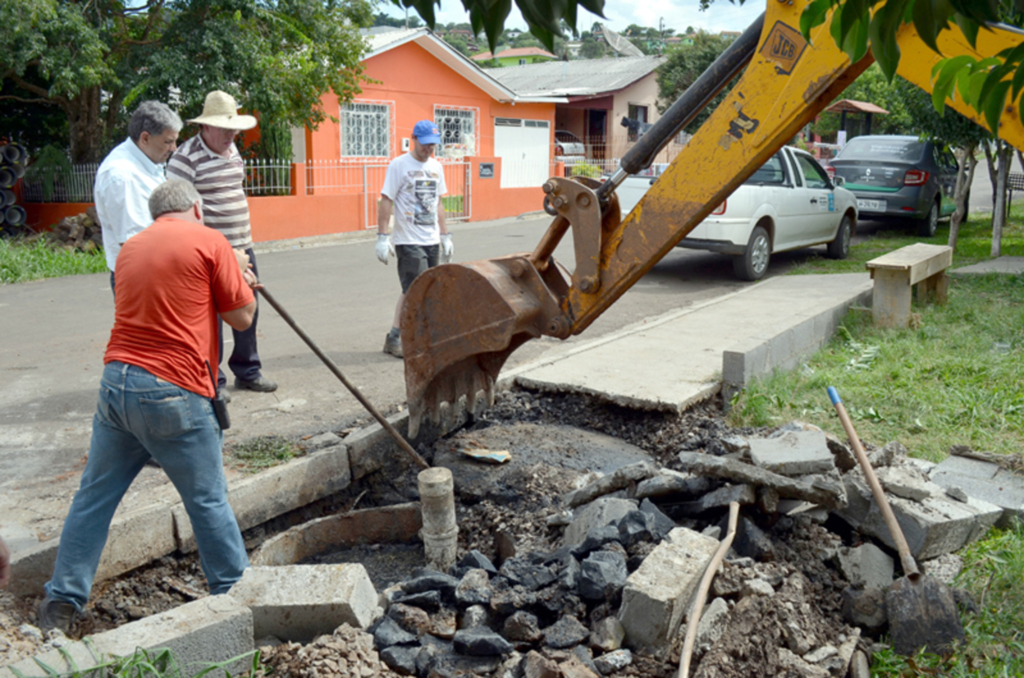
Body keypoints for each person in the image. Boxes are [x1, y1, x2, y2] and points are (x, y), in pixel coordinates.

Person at [37, 180, 258, 634]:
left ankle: (60, 602)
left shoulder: (129, 248)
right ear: (196, 208)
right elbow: (242, 317)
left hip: (116, 386)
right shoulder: (210, 240)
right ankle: (237, 597)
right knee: (208, 500)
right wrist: (240, 276)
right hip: (173, 391)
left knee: (94, 496)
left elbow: (167, 300)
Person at [167, 90, 277, 395]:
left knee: (247, 309)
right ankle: (213, 380)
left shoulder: (233, 152)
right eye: (224, 128)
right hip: (210, 253)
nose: (231, 134)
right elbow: (179, 211)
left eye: (234, 128)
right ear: (205, 126)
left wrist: (240, 249)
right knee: (210, 316)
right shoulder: (185, 158)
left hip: (243, 245)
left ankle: (248, 370)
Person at [376, 120, 454, 358]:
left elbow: (439, 202)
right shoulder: (399, 165)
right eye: (425, 144)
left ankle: (418, 337)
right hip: (408, 241)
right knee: (413, 291)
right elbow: (386, 200)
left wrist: (445, 235)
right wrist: (382, 236)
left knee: (429, 290)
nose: (429, 149)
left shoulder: (436, 167)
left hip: (430, 240)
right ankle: (396, 338)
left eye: (433, 146)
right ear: (414, 139)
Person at [95, 101, 183, 293]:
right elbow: (136, 244)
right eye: (168, 141)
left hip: (157, 273)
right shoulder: (122, 176)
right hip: (142, 278)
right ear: (145, 138)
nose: (174, 148)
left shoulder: (148, 161)